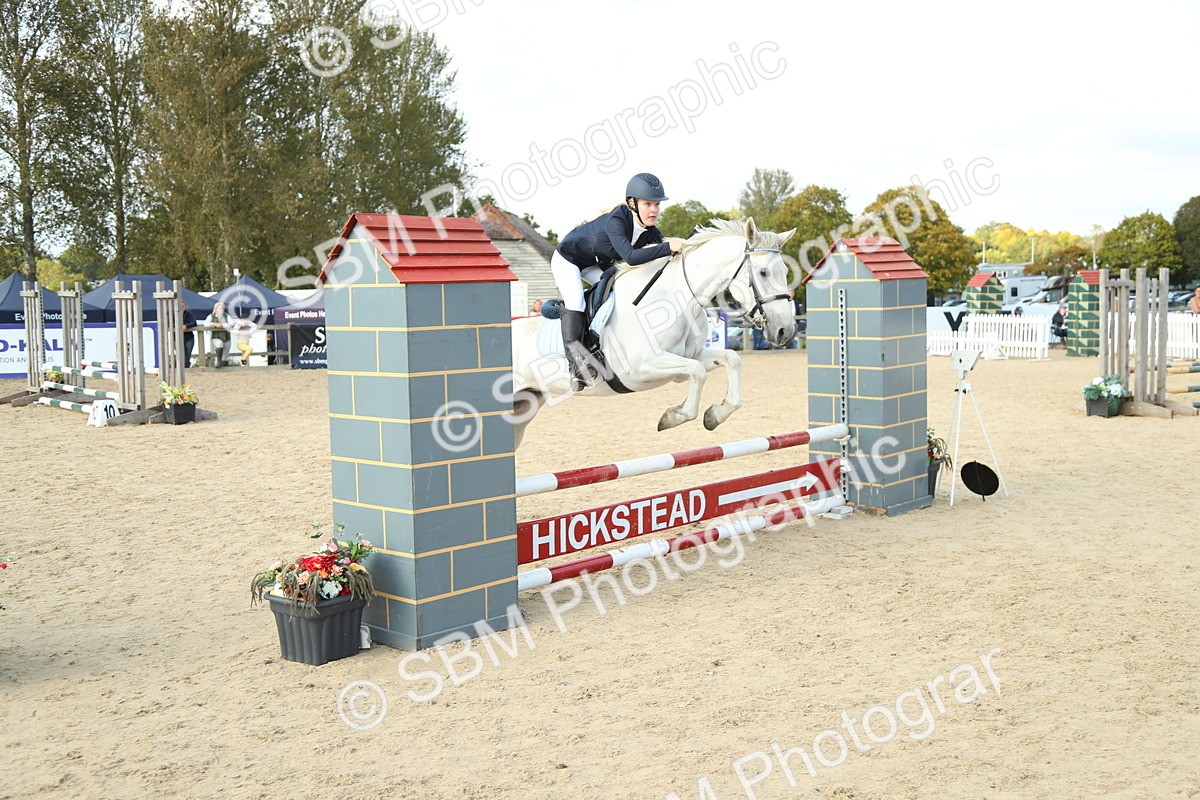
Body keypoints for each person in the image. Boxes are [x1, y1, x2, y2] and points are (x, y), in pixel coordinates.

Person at [552, 173, 686, 390]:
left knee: (618, 293)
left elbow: (666, 247)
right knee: (576, 301)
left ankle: (601, 346)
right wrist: (669, 247)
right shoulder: (618, 220)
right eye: (647, 204)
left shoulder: (649, 231)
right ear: (632, 204)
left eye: (657, 205)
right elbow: (631, 257)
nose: (654, 210)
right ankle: (575, 365)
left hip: (596, 263)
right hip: (568, 260)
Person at [207, 302, 230, 368]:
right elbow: (206, 323)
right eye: (220, 308)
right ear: (216, 309)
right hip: (215, 336)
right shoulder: (211, 316)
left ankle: (225, 368)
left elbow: (232, 323)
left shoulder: (226, 316)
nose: (222, 310)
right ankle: (218, 362)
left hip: (226, 336)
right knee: (219, 344)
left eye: (222, 309)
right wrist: (213, 324)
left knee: (225, 355)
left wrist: (222, 325)